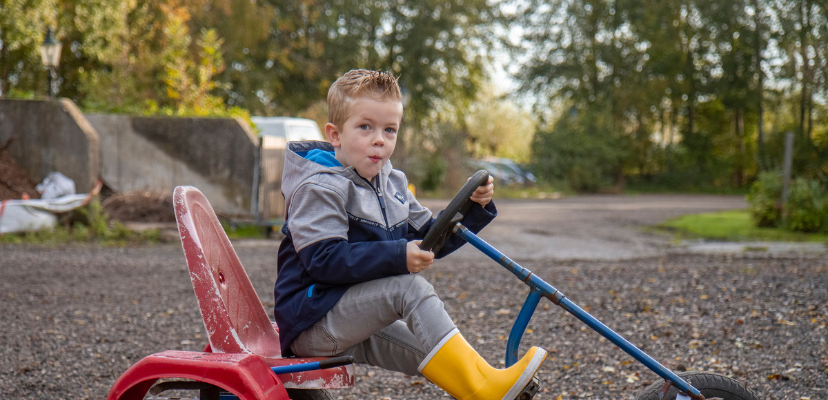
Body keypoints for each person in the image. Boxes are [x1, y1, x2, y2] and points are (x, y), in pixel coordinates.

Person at [273, 69, 546, 400]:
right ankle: (485, 390)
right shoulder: (319, 187)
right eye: (365, 127)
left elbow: (431, 239)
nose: (379, 139)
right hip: (312, 321)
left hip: (351, 313)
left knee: (427, 342)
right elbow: (323, 260)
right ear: (335, 134)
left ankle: (484, 387)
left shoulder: (392, 183)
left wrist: (473, 209)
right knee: (407, 289)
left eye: (390, 130)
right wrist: (398, 255)